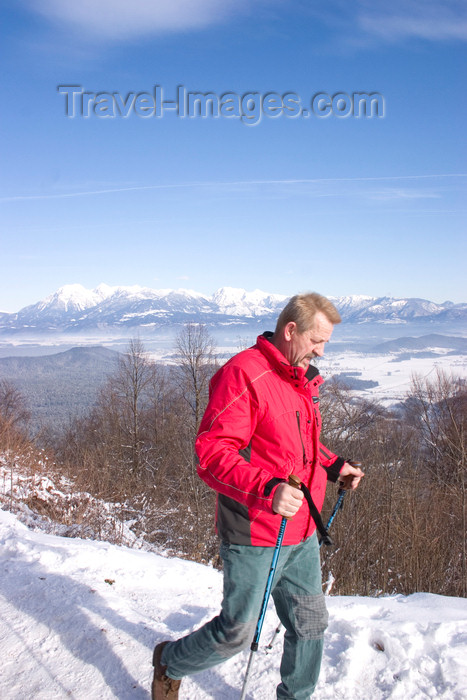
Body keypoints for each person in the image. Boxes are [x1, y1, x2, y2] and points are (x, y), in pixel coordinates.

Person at [151, 292, 364, 700]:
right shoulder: (244, 374)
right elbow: (211, 453)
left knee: (310, 625)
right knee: (236, 633)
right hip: (254, 531)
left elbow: (300, 446)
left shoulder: (299, 378)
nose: (322, 351)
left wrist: (335, 466)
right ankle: (170, 662)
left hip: (301, 531)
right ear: (291, 330)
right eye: (317, 341)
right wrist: (267, 490)